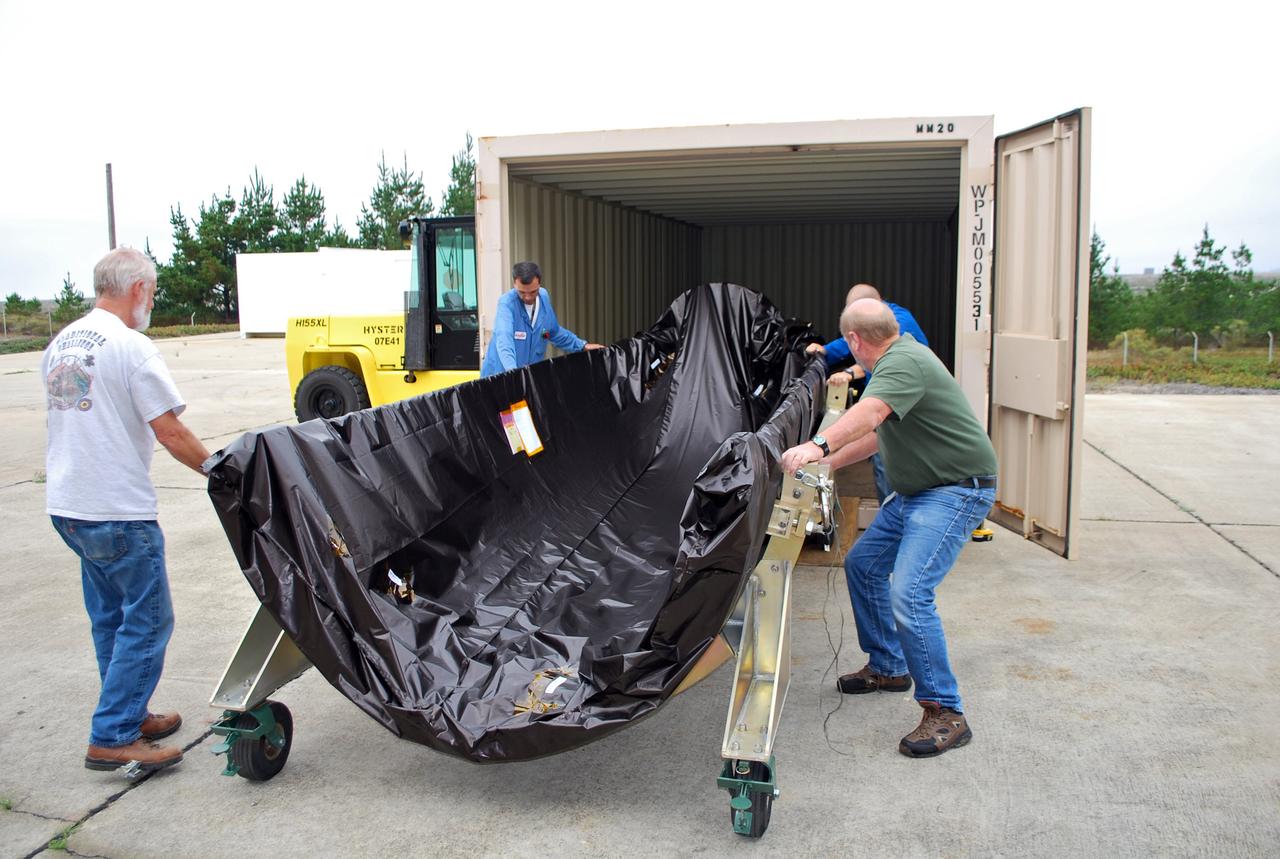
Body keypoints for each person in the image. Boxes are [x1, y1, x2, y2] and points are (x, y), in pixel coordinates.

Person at [780, 298, 996, 758]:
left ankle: (947, 712)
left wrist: (817, 445)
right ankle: (889, 666)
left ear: (853, 340)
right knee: (863, 565)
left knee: (911, 594)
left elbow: (871, 415)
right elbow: (881, 436)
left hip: (954, 491)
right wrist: (832, 464)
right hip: (917, 491)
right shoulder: (902, 356)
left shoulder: (902, 362)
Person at [43, 247, 211, 775]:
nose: (152, 303)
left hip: (70, 506)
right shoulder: (130, 346)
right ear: (138, 288)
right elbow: (170, 431)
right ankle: (113, 734)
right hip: (117, 509)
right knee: (149, 621)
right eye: (153, 293)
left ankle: (128, 714)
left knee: (111, 619)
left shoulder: (62, 342)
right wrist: (222, 472)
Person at [806, 283, 930, 503]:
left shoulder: (897, 329)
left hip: (900, 413)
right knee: (881, 446)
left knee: (887, 461)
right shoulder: (882, 323)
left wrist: (818, 446)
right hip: (891, 414)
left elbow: (873, 412)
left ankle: (893, 505)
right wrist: (825, 351)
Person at [480, 261, 602, 377]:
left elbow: (551, 332)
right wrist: (513, 374)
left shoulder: (543, 299)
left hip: (528, 377)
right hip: (502, 378)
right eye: (522, 292)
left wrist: (582, 346)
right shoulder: (507, 304)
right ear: (514, 283)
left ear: (539, 283)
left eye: (533, 292)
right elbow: (505, 340)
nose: (527, 297)